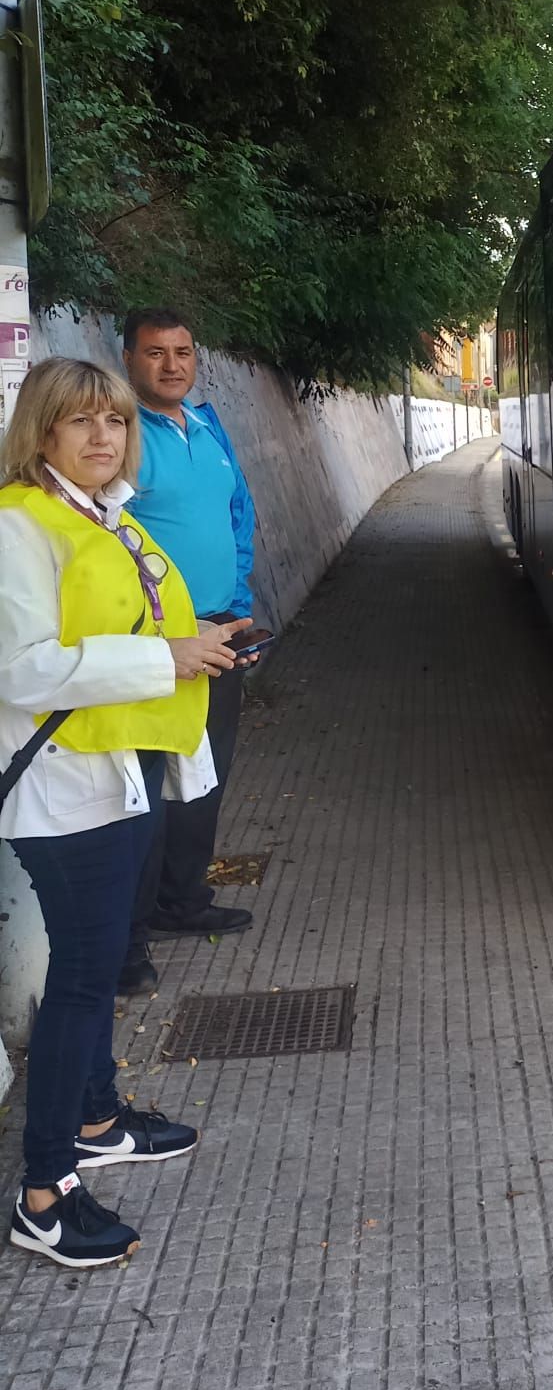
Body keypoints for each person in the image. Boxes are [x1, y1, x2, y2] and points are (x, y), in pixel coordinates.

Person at [0, 357, 246, 1266]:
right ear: (43, 433)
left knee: (97, 970)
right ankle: (43, 1190)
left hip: (119, 775)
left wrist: (206, 645)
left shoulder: (103, 515)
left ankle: (98, 1116)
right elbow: (19, 668)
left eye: (114, 421)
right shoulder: (20, 526)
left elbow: (135, 628)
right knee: (81, 977)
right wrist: (165, 661)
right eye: (80, 422)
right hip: (62, 791)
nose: (103, 436)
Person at [120, 308, 260, 990]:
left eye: (182, 351)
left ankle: (183, 901)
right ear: (128, 359)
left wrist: (237, 606)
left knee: (206, 778)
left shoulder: (208, 426)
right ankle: (127, 941)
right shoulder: (121, 436)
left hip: (219, 631)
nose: (172, 365)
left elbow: (240, 514)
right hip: (155, 645)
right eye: (155, 353)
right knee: (142, 792)